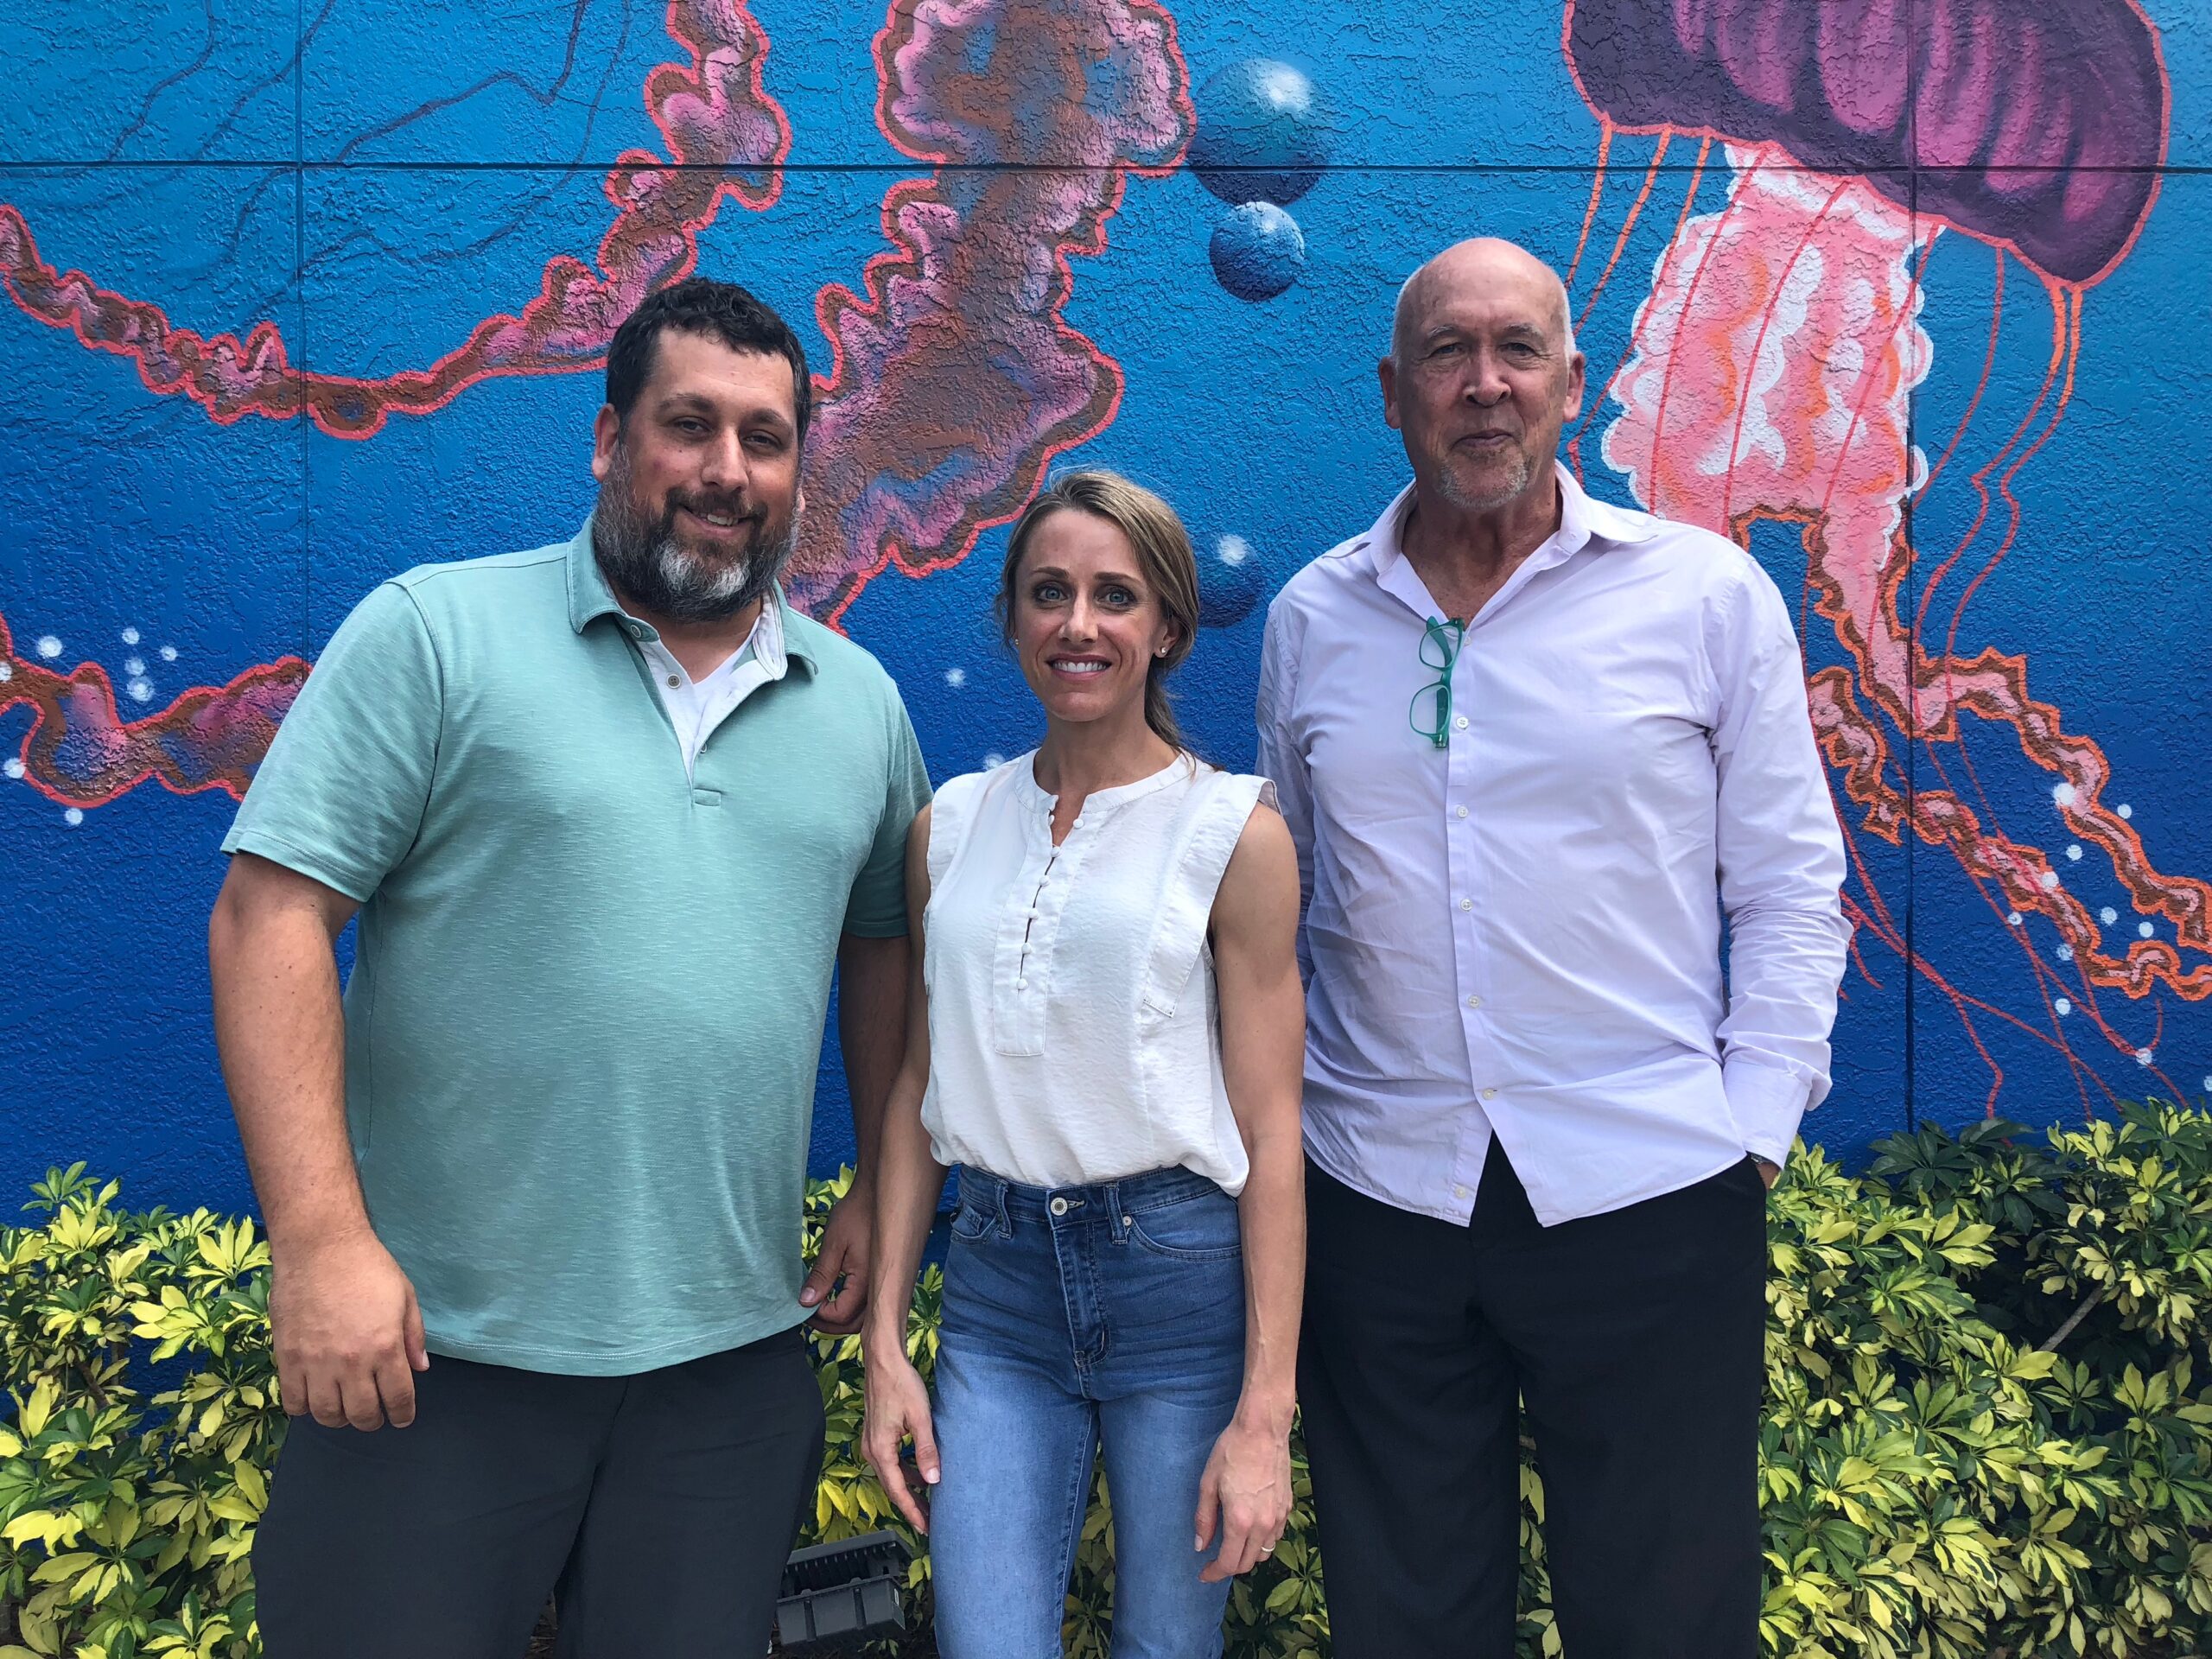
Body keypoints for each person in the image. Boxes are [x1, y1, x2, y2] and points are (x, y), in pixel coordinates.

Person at [207, 276, 931, 1657]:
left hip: (727, 1371)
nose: (727, 471)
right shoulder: (436, 634)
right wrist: (321, 1244)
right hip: (437, 1356)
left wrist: (875, 1191)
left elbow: (886, 944)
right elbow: (267, 918)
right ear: (609, 440)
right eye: (689, 425)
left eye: (766, 439)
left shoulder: (860, 704)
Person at [1255, 238, 1850, 1658]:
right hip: (1382, 1197)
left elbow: (1790, 884)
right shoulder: (1314, 618)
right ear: (1392, 392)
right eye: (1448, 354)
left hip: (1650, 1187)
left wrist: (1750, 1134)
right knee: (1406, 1623)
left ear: (1571, 382)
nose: (1485, 384)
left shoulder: (1703, 597)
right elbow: (1287, 907)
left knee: (1668, 1621)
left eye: (1517, 349)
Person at [858, 471, 1306, 1658]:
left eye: (1117, 596)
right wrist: (887, 1342)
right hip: (998, 1296)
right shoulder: (949, 827)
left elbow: (1273, 1131)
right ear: (1012, 618)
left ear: (1167, 627)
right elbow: (915, 1091)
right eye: (1049, 592)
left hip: (1179, 1290)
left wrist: (1266, 1412)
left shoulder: (1235, 834)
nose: (1080, 624)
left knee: (1168, 1645)